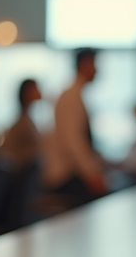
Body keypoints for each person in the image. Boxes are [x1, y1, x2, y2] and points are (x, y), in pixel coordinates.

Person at [44, 48, 107, 204]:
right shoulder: (71, 96)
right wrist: (92, 174)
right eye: (94, 64)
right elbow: (72, 141)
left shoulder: (75, 94)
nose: (97, 70)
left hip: (70, 173)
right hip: (64, 176)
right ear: (84, 65)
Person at [0, 79, 42, 167]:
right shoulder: (22, 123)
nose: (39, 92)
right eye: (35, 88)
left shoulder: (28, 119)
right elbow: (10, 154)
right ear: (26, 93)